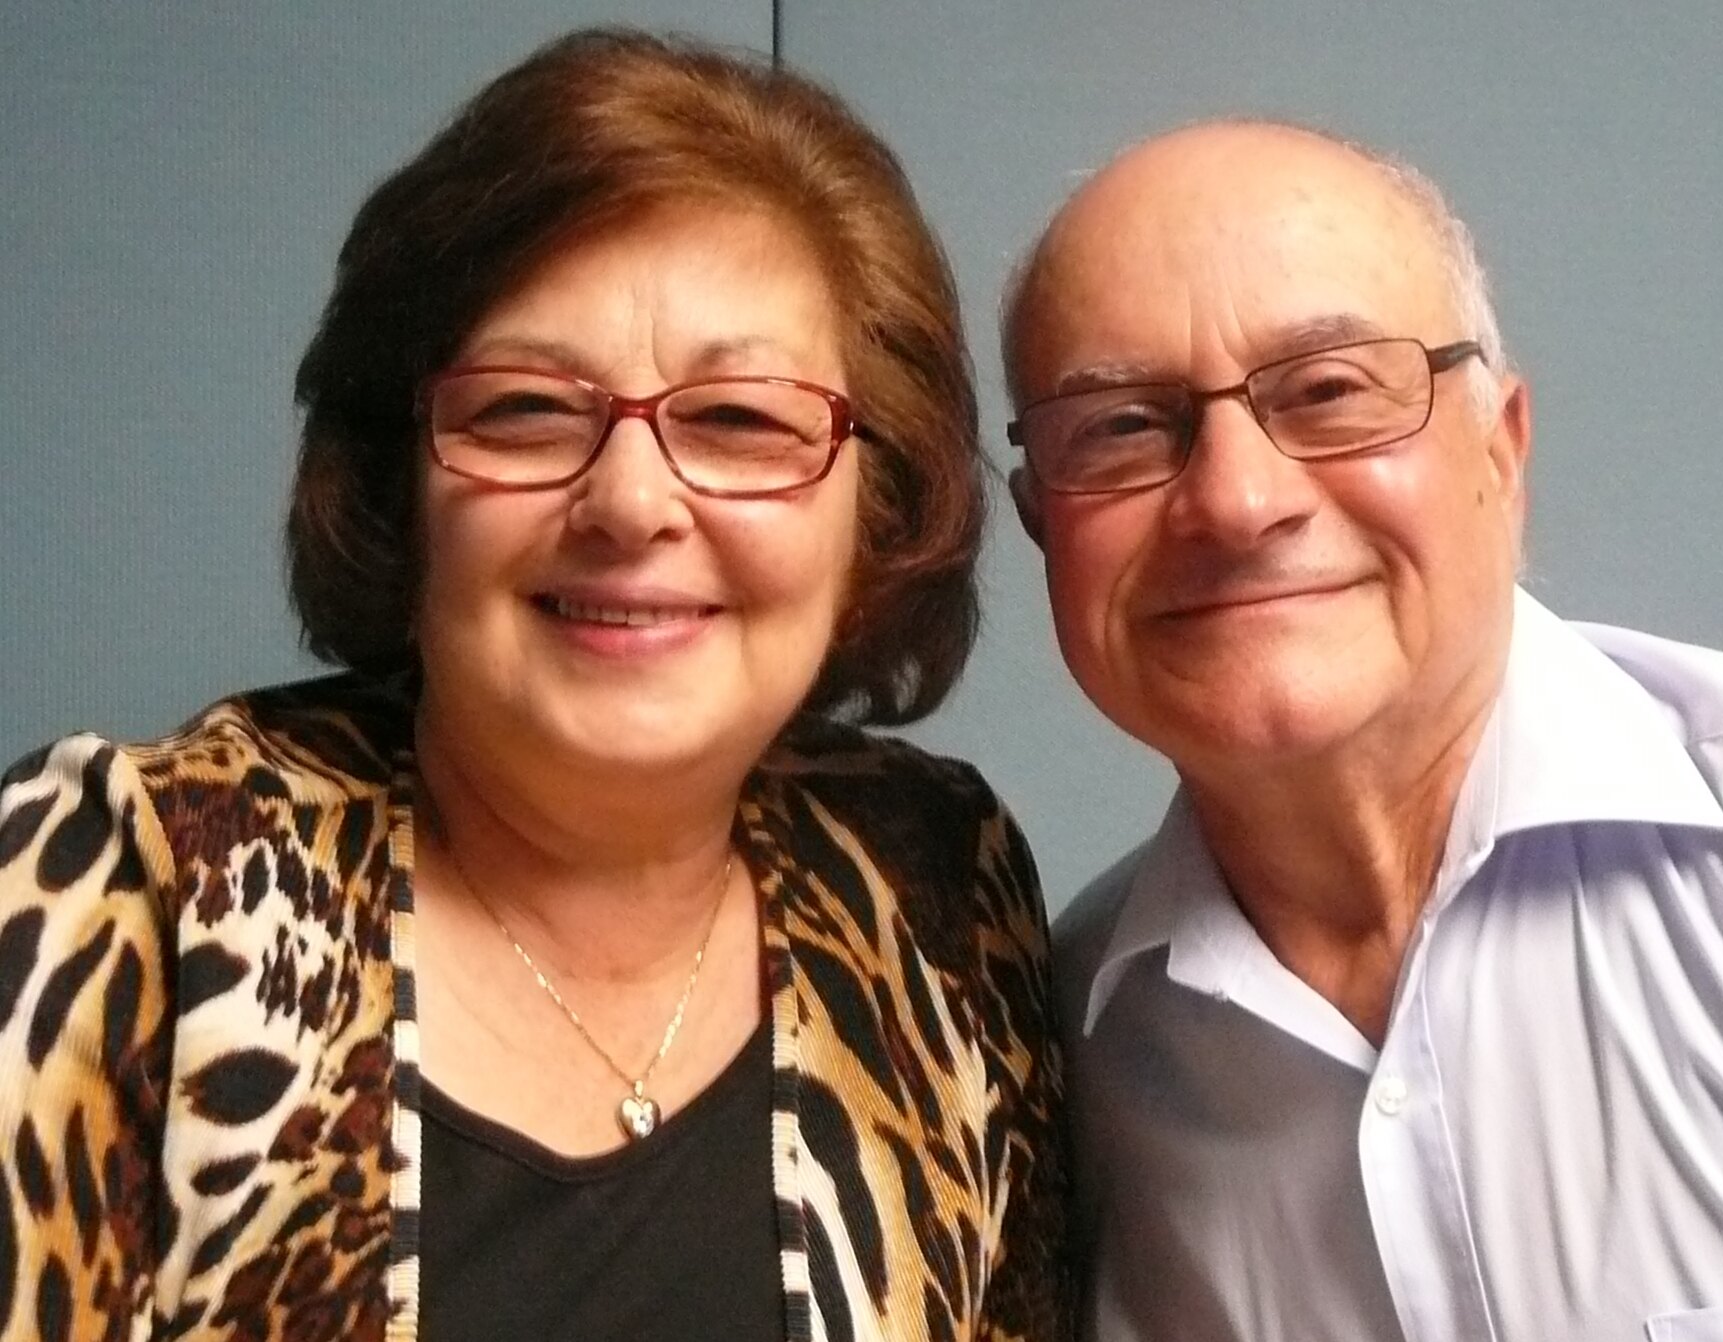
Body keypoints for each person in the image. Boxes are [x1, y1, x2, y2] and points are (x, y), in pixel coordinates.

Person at [0, 28, 1069, 1342]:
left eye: (739, 419)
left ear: (877, 510)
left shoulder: (939, 889)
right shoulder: (135, 885)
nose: (630, 502)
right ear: (403, 486)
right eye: (526, 409)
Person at [1003, 119, 1723, 1342]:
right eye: (1125, 426)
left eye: (1330, 392)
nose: (1238, 500)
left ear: (1501, 450)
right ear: (1042, 522)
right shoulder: (1056, 1060)